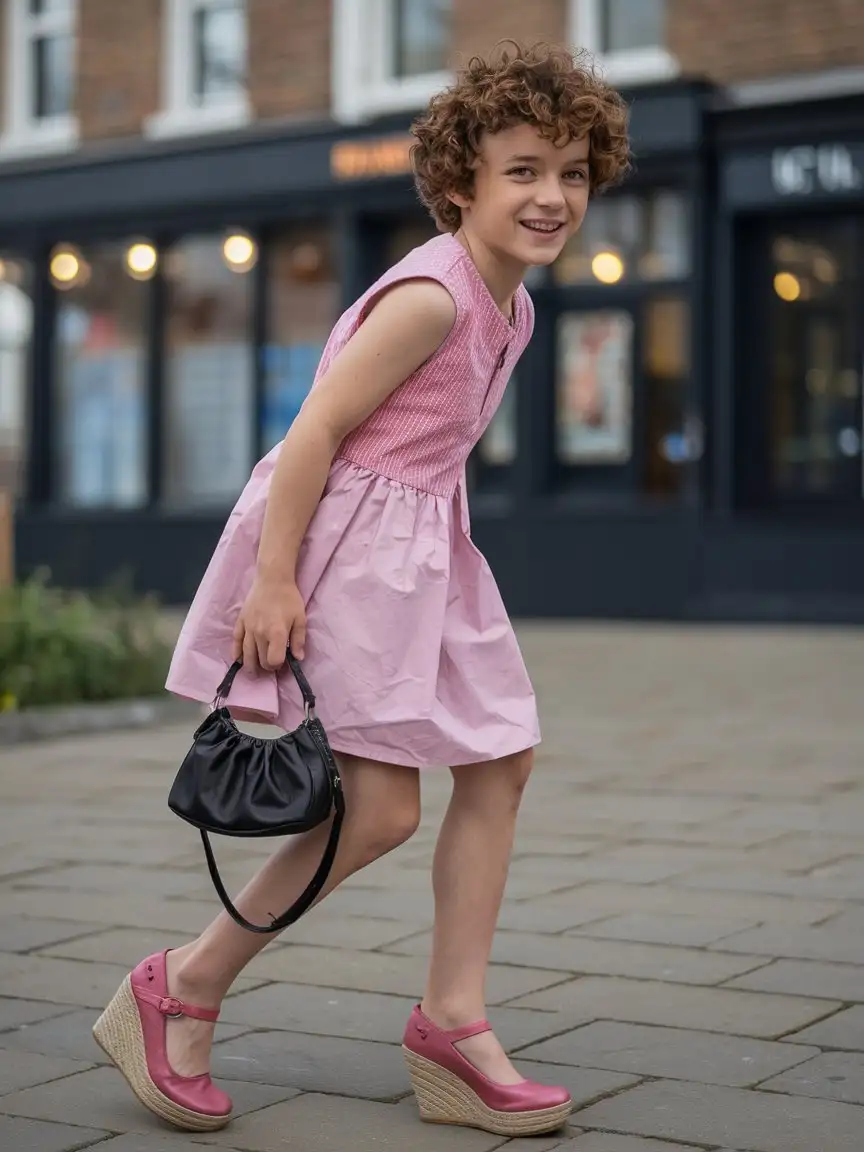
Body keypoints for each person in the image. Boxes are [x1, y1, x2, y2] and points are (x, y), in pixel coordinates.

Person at [93, 40, 630, 1139]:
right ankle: (182, 986)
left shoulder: (513, 309)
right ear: (459, 184)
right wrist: (275, 584)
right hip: (348, 553)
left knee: (501, 757)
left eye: (573, 172)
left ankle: (454, 1021)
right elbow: (314, 434)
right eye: (523, 168)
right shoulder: (433, 298)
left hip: (428, 555)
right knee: (380, 809)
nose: (551, 195)